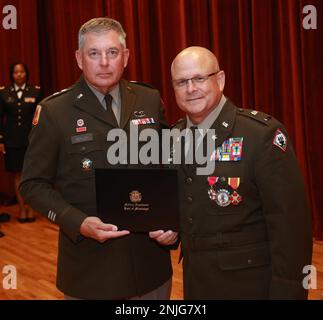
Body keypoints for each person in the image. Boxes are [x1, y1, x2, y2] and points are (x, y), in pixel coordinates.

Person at [19, 17, 178, 300]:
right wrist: (77, 222)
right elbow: (32, 185)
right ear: (79, 59)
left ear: (126, 57)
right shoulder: (55, 112)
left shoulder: (148, 99)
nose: (104, 62)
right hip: (91, 274)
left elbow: (170, 167)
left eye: (112, 52)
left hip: (150, 269)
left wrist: (172, 222)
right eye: (94, 53)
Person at [170, 46, 313, 299]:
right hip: (197, 283)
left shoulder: (261, 135)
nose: (190, 88)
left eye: (199, 78)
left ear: (221, 79)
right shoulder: (172, 137)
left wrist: (288, 292)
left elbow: (291, 226)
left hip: (250, 285)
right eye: (181, 82)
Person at [0, 63, 42, 223]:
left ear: (26, 74)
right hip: (12, 140)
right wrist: (1, 139)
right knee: (17, 175)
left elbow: (40, 118)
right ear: (11, 75)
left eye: (21, 71)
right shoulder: (3, 92)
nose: (18, 75)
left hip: (31, 140)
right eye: (15, 72)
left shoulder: (35, 91)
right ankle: (22, 209)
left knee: (32, 174)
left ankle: (31, 208)